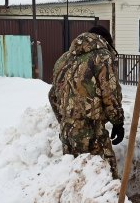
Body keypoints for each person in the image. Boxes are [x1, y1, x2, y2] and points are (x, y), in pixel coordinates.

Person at [48, 25, 125, 179]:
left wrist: (66, 120)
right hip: (91, 132)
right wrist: (117, 122)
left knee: (75, 180)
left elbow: (53, 95)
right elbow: (110, 94)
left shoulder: (64, 59)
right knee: (103, 179)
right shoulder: (102, 56)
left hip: (67, 133)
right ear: (105, 41)